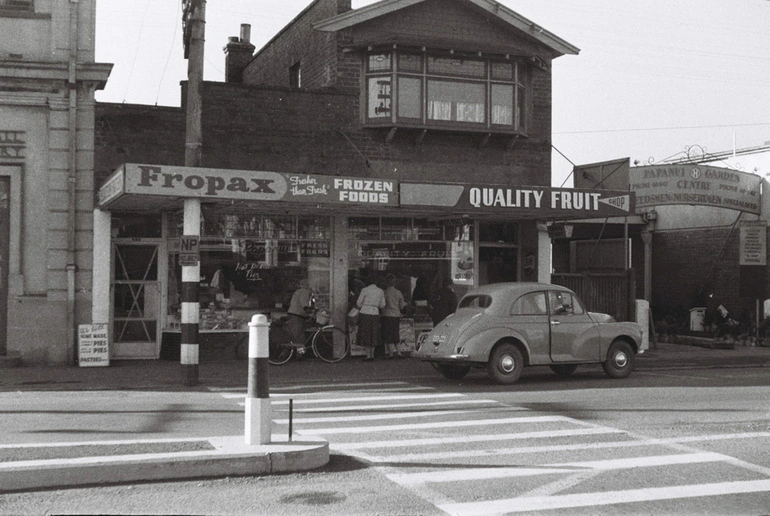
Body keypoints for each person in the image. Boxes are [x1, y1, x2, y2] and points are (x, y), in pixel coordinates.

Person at [356, 273, 385, 361]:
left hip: (365, 312)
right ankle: (372, 354)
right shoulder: (380, 291)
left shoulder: (365, 290)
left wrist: (363, 306)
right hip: (375, 313)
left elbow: (358, 303)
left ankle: (368, 355)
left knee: (366, 333)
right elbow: (382, 304)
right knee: (374, 334)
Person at [381, 274, 406, 358]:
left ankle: (391, 353)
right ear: (395, 283)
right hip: (396, 315)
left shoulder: (384, 292)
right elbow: (402, 306)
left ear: (386, 283)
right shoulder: (398, 292)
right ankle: (399, 352)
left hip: (387, 315)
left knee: (388, 334)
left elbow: (382, 305)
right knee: (395, 333)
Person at [287, 279, 312, 345]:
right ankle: (299, 354)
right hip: (297, 316)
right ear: (306, 285)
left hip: (292, 314)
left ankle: (288, 354)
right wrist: (311, 313)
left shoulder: (297, 291)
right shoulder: (304, 291)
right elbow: (304, 305)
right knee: (299, 337)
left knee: (294, 336)